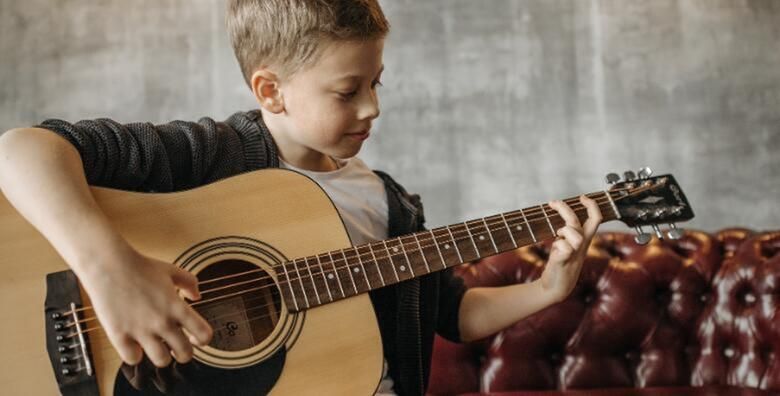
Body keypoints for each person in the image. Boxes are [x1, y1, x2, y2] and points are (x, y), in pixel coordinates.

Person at [0, 0, 602, 394]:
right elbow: (20, 150)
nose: (373, 107)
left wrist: (549, 288)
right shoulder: (207, 155)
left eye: (376, 83)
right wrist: (110, 270)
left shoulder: (389, 205)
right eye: (348, 90)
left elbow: (451, 314)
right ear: (272, 89)